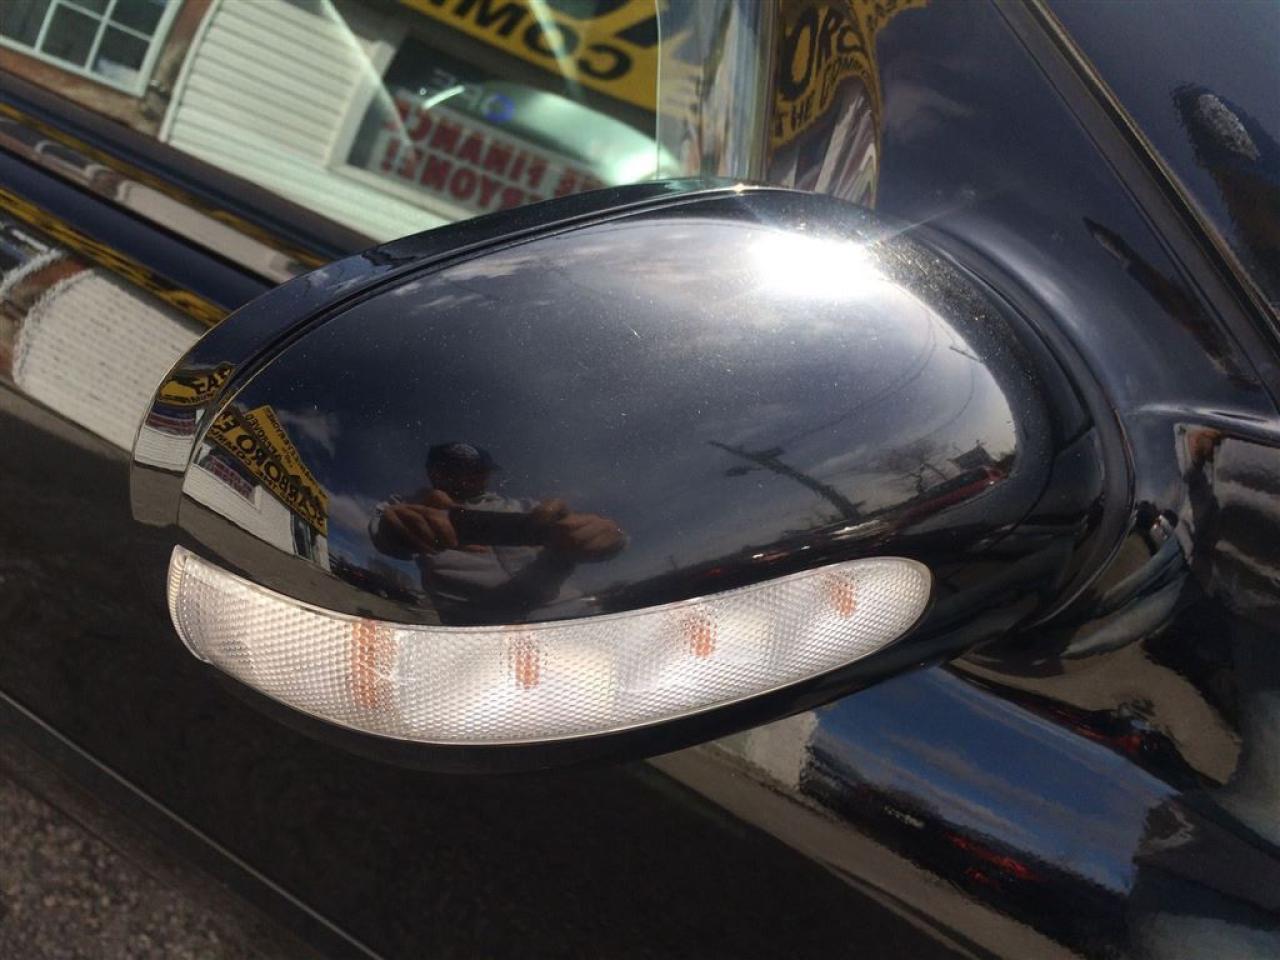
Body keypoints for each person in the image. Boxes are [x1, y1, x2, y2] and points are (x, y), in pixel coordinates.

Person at [369, 442, 624, 624]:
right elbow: (380, 532)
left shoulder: (525, 508)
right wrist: (397, 529)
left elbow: (596, 540)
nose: (465, 478)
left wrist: (609, 537)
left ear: (488, 475)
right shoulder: (405, 506)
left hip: (571, 617)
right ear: (432, 472)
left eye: (476, 471)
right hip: (474, 631)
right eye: (452, 470)